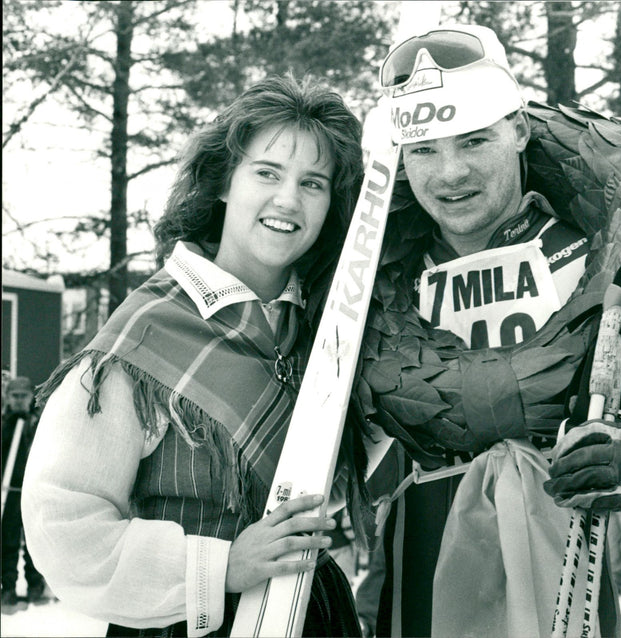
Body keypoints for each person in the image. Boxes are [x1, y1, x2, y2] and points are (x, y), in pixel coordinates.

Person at [353, 24, 621, 637]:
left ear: (520, 128)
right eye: (422, 150)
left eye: (474, 140)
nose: (449, 173)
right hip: (415, 596)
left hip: (569, 590)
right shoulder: (366, 286)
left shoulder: (604, 264)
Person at [21, 74, 366, 637]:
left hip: (315, 616)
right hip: (183, 626)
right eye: (267, 172)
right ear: (224, 181)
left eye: (314, 183)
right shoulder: (145, 333)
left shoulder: (333, 324)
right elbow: (61, 523)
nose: (288, 199)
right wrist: (221, 567)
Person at [1, 376, 46, 613]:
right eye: (14, 396)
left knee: (33, 541)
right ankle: (7, 587)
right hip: (8, 494)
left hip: (32, 492)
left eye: (23, 396)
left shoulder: (38, 424)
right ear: (8, 398)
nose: (19, 401)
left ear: (31, 398)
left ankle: (35, 586)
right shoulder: (4, 424)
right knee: (7, 540)